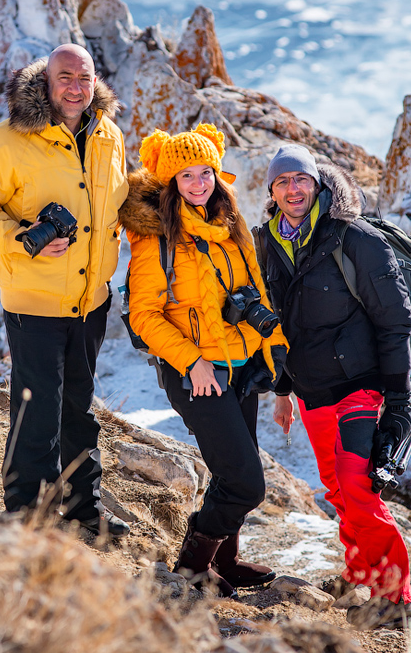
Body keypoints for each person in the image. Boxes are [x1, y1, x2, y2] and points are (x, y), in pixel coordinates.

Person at [0, 43, 130, 537]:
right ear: (45, 83)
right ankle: (25, 518)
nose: (76, 87)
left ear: (96, 82)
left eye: (85, 78)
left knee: (79, 407)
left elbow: (115, 203)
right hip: (35, 302)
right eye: (65, 77)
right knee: (37, 409)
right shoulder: (6, 140)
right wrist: (20, 239)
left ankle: (83, 512)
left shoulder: (109, 137)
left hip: (92, 301)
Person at [120, 124, 288, 596]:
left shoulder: (230, 229)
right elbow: (145, 316)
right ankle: (193, 566)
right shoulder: (156, 239)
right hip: (196, 373)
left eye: (206, 173)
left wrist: (275, 366)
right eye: (186, 176)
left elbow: (253, 294)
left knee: (230, 469)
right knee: (245, 483)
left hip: (241, 368)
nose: (199, 184)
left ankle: (226, 561)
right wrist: (193, 362)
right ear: (171, 182)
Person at [255, 144, 411, 630]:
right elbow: (282, 323)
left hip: (360, 385)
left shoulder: (356, 238)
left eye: (301, 179)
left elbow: (396, 321)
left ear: (317, 183)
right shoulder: (268, 241)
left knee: (358, 486)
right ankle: (359, 571)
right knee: (337, 489)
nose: (293, 189)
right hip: (310, 389)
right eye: (282, 182)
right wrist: (283, 389)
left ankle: (395, 599)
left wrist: (399, 402)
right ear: (272, 191)